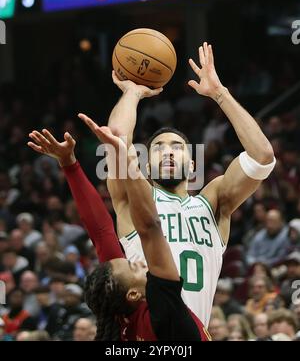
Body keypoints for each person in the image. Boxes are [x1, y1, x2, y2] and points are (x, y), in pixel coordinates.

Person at [79, 42, 275, 327]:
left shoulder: (213, 201)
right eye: (158, 148)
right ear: (146, 164)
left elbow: (263, 156)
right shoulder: (134, 197)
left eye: (177, 147)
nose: (168, 151)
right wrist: (132, 93)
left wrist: (220, 94)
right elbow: (117, 138)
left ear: (193, 163)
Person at [27, 128, 210, 341]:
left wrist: (69, 164)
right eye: (133, 265)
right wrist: (126, 156)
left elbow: (101, 231)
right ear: (133, 294)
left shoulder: (119, 310)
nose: (141, 262)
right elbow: (151, 227)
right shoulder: (164, 312)